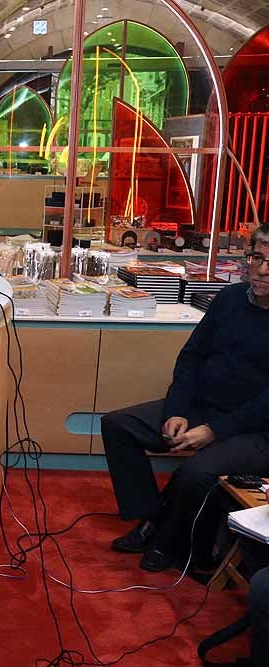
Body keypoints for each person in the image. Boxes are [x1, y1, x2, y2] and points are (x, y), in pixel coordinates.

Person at [102, 223, 269, 573]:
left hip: (255, 430)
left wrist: (215, 430)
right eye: (257, 257)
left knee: (196, 471)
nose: (263, 269)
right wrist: (177, 411)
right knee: (118, 425)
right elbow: (191, 357)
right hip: (202, 407)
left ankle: (171, 542)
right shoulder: (229, 299)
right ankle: (151, 516)